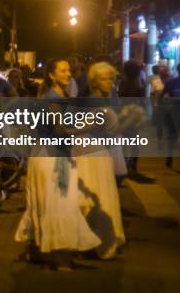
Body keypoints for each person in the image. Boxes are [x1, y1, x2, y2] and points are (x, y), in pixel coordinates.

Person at [15, 58, 100, 271]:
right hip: (50, 160)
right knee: (60, 206)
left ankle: (39, 252)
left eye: (69, 70)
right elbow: (60, 130)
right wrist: (89, 126)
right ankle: (61, 259)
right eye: (63, 71)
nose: (68, 73)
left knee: (47, 204)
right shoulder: (52, 98)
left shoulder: (59, 97)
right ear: (52, 75)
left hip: (50, 157)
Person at [75, 61, 125, 259]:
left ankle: (96, 240)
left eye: (110, 78)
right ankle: (94, 240)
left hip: (101, 152)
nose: (108, 82)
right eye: (104, 79)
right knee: (95, 197)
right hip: (91, 154)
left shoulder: (106, 99)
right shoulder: (94, 101)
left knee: (100, 196)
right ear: (95, 81)